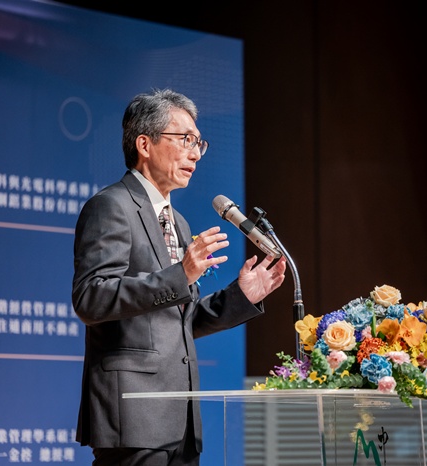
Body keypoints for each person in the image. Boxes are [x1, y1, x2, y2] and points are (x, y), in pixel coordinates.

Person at [71, 88, 287, 466]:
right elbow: (91, 298)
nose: (195, 153)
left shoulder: (179, 223)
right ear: (145, 144)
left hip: (180, 421)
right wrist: (181, 274)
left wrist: (240, 296)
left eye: (198, 143)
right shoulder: (111, 206)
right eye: (185, 139)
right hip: (133, 415)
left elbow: (178, 321)